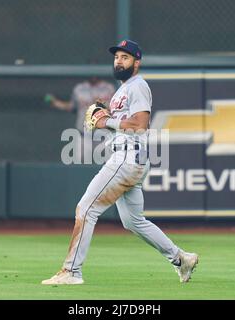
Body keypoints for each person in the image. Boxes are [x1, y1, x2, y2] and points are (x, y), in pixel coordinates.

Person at [41, 40, 198, 285]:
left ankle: (71, 271)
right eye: (117, 57)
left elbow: (140, 125)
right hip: (131, 158)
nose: (118, 61)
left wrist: (107, 121)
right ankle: (181, 259)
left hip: (127, 157)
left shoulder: (138, 86)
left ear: (137, 63)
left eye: (125, 57)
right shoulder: (122, 90)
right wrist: (106, 115)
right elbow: (121, 123)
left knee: (86, 209)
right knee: (134, 221)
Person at [44, 74, 115, 162]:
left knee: (111, 166)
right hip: (84, 135)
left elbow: (115, 109)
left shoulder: (109, 88)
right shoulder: (79, 88)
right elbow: (71, 106)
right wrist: (55, 102)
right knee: (79, 164)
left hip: (104, 135)